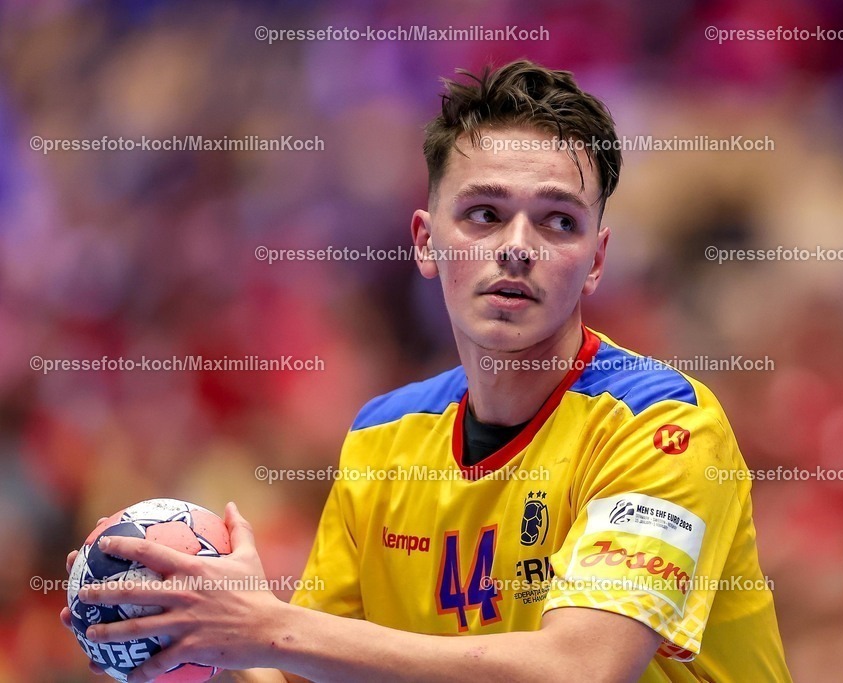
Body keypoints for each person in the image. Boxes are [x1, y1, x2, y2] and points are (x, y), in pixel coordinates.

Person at [63, 60, 792, 683]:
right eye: (484, 214)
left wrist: (266, 626)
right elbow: (303, 665)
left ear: (596, 260)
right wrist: (177, 626)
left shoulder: (663, 426)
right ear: (424, 240)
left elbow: (581, 668)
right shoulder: (383, 438)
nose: (517, 247)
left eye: (558, 221)